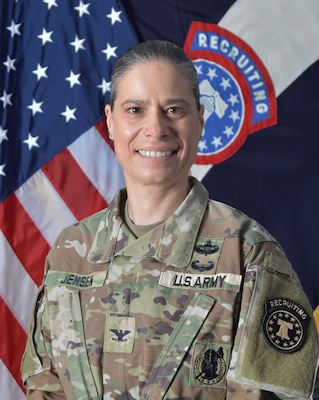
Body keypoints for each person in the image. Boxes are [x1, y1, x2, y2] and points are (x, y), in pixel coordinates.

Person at [21, 40, 318, 399]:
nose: (156, 127)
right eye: (135, 110)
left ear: (199, 122)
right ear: (111, 122)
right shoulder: (72, 251)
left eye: (174, 109)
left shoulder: (247, 252)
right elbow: (44, 386)